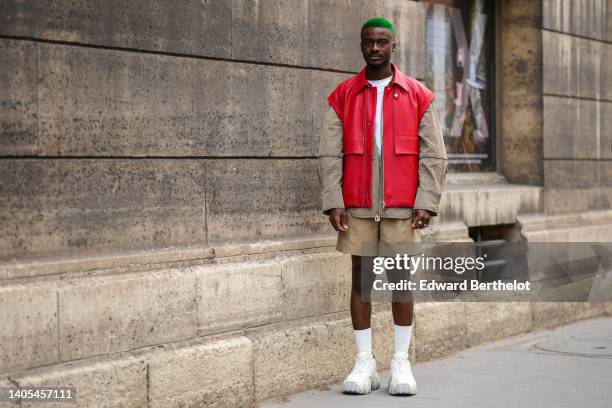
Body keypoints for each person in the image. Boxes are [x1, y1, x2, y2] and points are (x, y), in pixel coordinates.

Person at [318, 17, 448, 396]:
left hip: (402, 206)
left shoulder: (418, 95)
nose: (374, 48)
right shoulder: (343, 94)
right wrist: (333, 200)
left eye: (381, 42)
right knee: (361, 280)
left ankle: (401, 363)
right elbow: (329, 153)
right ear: (362, 46)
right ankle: (364, 363)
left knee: (400, 279)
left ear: (394, 47)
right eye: (368, 42)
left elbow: (433, 154)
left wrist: (426, 201)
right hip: (357, 206)